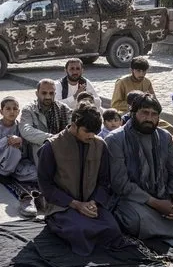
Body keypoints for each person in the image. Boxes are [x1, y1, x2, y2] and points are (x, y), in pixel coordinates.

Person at [37, 103, 126, 256]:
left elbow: (105, 181)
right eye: (87, 131)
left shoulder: (99, 145)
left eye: (94, 132)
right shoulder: (52, 146)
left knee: (113, 230)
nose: (91, 136)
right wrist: (76, 204)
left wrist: (94, 202)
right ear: (74, 124)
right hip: (62, 206)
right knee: (81, 230)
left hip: (91, 204)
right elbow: (46, 186)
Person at [107, 94, 173, 239]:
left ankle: (170, 219)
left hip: (164, 194)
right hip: (135, 199)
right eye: (145, 113)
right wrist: (156, 204)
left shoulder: (164, 137)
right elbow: (120, 183)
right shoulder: (115, 139)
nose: (149, 118)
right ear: (133, 113)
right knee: (133, 221)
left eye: (154, 115)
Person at [20, 79, 72, 166]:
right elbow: (26, 130)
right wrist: (52, 138)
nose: (48, 97)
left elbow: (73, 124)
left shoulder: (63, 108)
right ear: (37, 93)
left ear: (55, 94)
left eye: (51, 93)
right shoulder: (29, 110)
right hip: (38, 149)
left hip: (61, 146)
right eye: (44, 93)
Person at [0, 96, 37, 182]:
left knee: (37, 174)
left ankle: (10, 174)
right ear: (1, 112)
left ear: (18, 111)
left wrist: (21, 141)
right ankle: (4, 173)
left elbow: (26, 150)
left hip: (18, 163)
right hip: (1, 162)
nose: (12, 112)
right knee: (13, 150)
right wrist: (7, 140)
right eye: (8, 109)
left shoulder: (20, 127)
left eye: (15, 109)